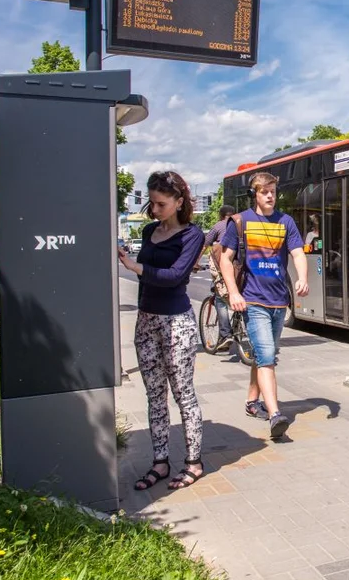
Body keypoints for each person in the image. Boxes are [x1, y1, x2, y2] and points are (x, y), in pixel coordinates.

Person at [118, 171, 206, 491]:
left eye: (162, 204)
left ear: (179, 202)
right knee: (155, 395)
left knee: (183, 394)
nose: (155, 210)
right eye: (152, 203)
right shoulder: (148, 230)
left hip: (177, 322)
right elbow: (148, 278)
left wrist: (136, 267)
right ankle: (160, 462)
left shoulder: (192, 235)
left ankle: (194, 462)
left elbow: (175, 275)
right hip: (147, 321)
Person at [219, 172, 310, 438]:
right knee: (268, 355)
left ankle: (251, 402)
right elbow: (226, 260)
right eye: (264, 191)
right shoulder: (241, 222)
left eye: (273, 191)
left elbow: (297, 253)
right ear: (255, 195)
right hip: (253, 300)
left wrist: (302, 277)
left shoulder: (286, 222)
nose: (270, 195)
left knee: (262, 354)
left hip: (279, 300)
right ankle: (275, 414)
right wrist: (234, 293)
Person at [201, 205, 237, 350]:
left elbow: (204, 245)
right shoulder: (241, 225)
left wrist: (195, 262)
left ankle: (225, 334)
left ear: (221, 216)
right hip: (242, 268)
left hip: (224, 267)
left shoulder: (218, 226)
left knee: (220, 299)